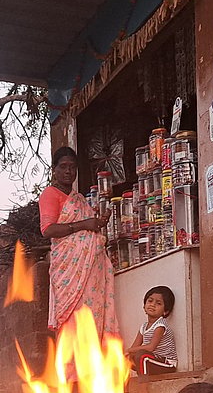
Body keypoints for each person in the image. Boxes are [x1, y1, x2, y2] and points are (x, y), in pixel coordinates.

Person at [40, 147, 120, 342]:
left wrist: (98, 222)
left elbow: (88, 227)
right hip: (68, 270)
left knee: (91, 316)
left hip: (91, 269)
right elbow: (48, 230)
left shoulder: (80, 199)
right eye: (63, 167)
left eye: (72, 167)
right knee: (72, 319)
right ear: (54, 170)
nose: (68, 171)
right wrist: (84, 224)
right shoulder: (50, 194)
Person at [127, 286, 177, 376]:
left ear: (165, 311)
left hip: (166, 364)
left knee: (142, 356)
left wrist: (128, 350)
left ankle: (144, 383)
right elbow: (134, 347)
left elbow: (151, 347)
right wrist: (125, 354)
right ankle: (122, 383)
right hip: (152, 361)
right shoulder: (144, 326)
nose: (152, 305)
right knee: (127, 358)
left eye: (158, 303)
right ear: (144, 306)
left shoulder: (160, 325)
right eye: (150, 301)